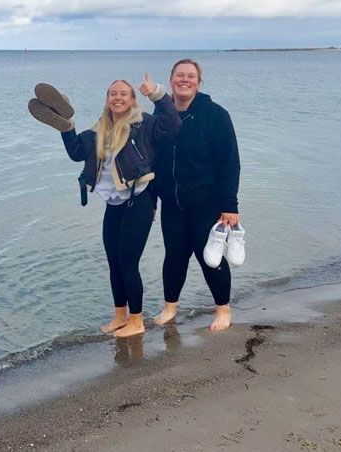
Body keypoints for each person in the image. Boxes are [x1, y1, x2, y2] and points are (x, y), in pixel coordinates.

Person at [28, 75, 180, 337]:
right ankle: (120, 315)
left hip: (139, 200)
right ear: (107, 100)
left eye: (123, 94)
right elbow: (77, 152)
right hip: (115, 204)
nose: (117, 97)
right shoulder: (97, 131)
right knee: (114, 261)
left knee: (127, 262)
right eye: (113, 94)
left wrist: (156, 93)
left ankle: (136, 320)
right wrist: (67, 129)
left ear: (132, 100)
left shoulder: (144, 125)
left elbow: (173, 123)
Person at [151, 58, 241, 332]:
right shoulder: (162, 117)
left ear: (198, 82)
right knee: (174, 256)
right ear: (171, 81)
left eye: (190, 76)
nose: (185, 80)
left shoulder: (215, 115)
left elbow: (230, 162)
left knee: (209, 258)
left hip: (207, 202)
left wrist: (229, 205)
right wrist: (153, 198)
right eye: (180, 76)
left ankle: (223, 309)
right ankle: (170, 307)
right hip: (173, 203)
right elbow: (156, 161)